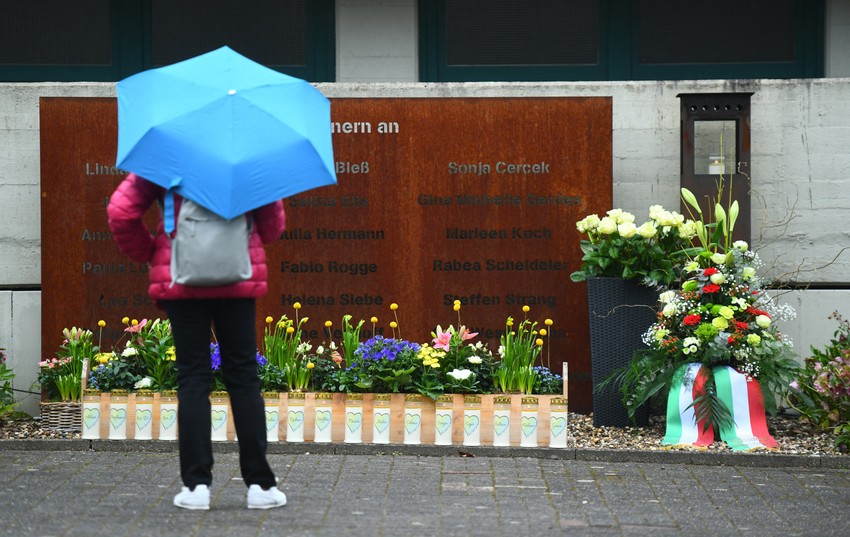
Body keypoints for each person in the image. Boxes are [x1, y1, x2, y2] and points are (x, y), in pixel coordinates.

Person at [107, 172, 287, 510]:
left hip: (181, 277)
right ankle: (261, 486)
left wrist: (154, 249)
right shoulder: (246, 156)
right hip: (238, 278)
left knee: (193, 378)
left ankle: (196, 488)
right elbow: (273, 225)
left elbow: (121, 212)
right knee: (244, 378)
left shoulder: (165, 156)